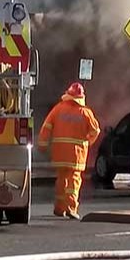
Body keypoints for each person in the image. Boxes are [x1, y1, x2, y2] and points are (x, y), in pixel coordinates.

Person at [38, 83, 102, 220]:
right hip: (76, 155)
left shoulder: (58, 109)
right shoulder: (85, 112)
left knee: (61, 180)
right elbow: (95, 131)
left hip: (60, 153)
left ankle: (59, 208)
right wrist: (88, 142)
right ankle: (71, 208)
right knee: (74, 181)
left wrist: (42, 145)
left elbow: (46, 127)